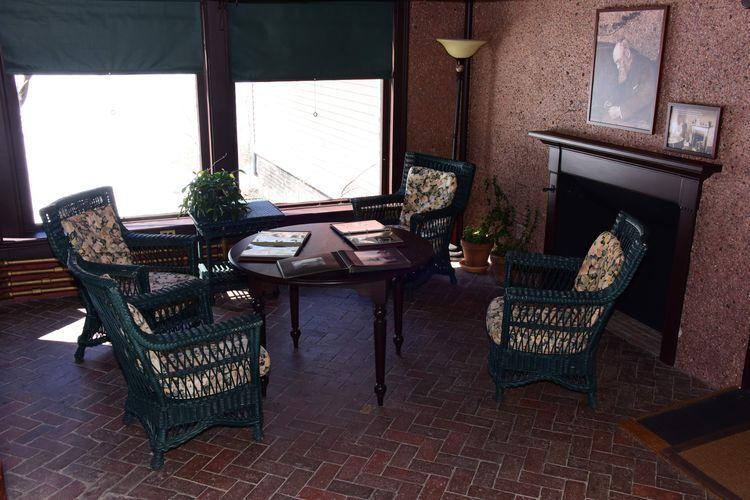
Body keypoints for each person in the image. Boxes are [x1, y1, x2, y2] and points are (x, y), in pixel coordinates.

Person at [600, 39, 658, 128]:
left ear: (627, 54)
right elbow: (623, 92)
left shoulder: (644, 65)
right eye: (616, 63)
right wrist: (611, 101)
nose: (618, 66)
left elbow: (646, 95)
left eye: (619, 61)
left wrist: (620, 110)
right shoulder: (627, 70)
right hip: (632, 117)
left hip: (645, 120)